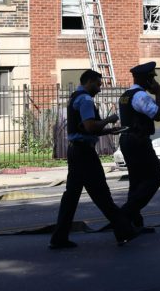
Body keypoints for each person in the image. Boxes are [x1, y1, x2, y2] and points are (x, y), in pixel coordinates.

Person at [49, 69, 137, 249]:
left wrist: (108, 131)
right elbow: (89, 127)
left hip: (76, 152)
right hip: (84, 154)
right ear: (88, 82)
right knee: (102, 194)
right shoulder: (86, 100)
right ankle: (124, 231)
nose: (99, 89)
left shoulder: (75, 97)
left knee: (71, 197)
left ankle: (59, 238)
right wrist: (108, 120)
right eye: (97, 84)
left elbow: (84, 128)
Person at [118, 61, 160, 233]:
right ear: (145, 79)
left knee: (136, 182)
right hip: (138, 141)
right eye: (151, 77)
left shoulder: (126, 95)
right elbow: (158, 115)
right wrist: (158, 93)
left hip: (127, 140)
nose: (153, 81)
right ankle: (124, 215)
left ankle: (134, 224)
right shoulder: (140, 96)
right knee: (154, 179)